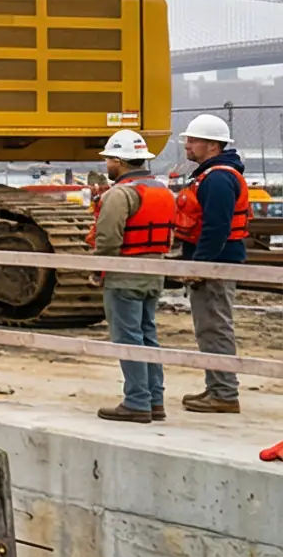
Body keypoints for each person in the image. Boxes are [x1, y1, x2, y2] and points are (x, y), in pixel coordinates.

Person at [89, 128, 175, 421]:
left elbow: (108, 239)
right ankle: (155, 400)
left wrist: (99, 272)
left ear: (119, 161)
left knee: (128, 337)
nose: (106, 165)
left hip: (125, 274)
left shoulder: (120, 194)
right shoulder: (163, 190)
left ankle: (137, 401)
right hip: (154, 273)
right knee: (148, 335)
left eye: (109, 160)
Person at [172, 113, 249, 412]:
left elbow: (216, 227)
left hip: (214, 267)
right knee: (210, 327)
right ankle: (217, 388)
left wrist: (198, 266)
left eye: (193, 140)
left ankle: (224, 394)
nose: (187, 146)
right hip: (213, 264)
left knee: (214, 327)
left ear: (213, 145)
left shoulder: (217, 178)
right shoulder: (214, 175)